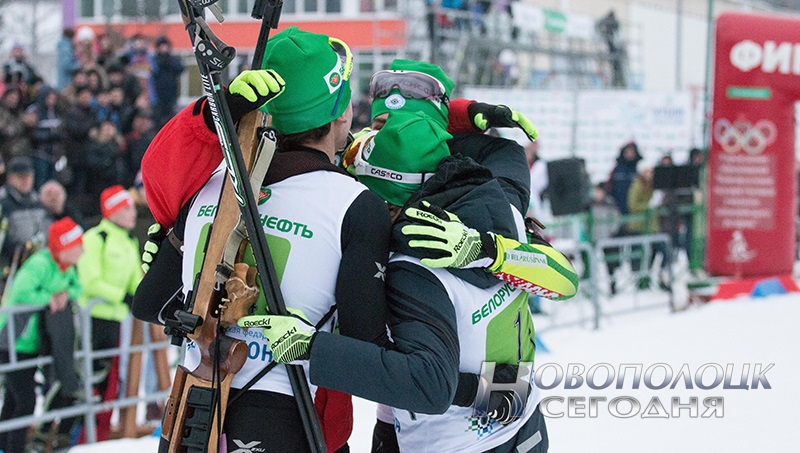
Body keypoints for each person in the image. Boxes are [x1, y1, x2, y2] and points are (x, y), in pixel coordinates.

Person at [246, 109, 578, 453]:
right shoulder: (494, 203)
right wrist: (492, 250)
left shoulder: (415, 265)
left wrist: (313, 348)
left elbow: (428, 381)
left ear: (392, 201)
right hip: (521, 415)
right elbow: (564, 277)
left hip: (456, 439)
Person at [134, 27, 393, 452]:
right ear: (341, 112)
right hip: (289, 418)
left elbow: (150, 303)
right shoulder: (354, 203)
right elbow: (367, 349)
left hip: (193, 413)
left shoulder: (212, 183)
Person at [0, 217, 83, 453]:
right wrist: (50, 299)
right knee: (24, 401)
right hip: (13, 340)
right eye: (78, 246)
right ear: (65, 248)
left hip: (30, 343)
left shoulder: (66, 267)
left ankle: (5, 446)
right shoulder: (39, 264)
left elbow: (78, 288)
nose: (82, 251)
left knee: (14, 401)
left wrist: (63, 294)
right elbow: (21, 292)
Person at [76, 185, 142, 441]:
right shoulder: (95, 237)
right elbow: (90, 281)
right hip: (93, 320)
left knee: (111, 383)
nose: (133, 212)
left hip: (117, 319)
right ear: (113, 211)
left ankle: (100, 435)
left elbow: (136, 281)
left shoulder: (129, 240)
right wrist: (122, 296)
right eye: (127, 208)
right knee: (91, 381)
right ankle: (81, 436)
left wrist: (144, 295)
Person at [0, 157, 49, 268]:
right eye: (21, 177)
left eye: (29, 176)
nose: (25, 181)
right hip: (11, 264)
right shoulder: (3, 202)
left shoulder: (38, 201)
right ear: (10, 178)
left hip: (39, 260)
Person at [149, 36, 184, 127]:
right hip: (158, 95)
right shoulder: (154, 59)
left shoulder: (173, 59)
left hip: (171, 94)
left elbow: (180, 69)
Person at [606, 140, 641, 215]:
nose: (629, 154)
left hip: (634, 208)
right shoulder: (617, 169)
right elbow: (610, 186)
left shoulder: (639, 168)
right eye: (627, 152)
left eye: (632, 152)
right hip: (618, 206)